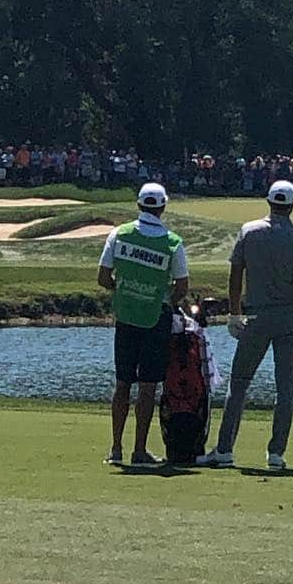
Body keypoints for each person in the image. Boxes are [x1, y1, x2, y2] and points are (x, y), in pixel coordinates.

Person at [198, 179, 293, 470]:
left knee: (239, 383)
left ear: (269, 202)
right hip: (290, 318)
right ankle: (276, 454)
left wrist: (234, 312)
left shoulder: (249, 231)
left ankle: (224, 450)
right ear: (292, 206)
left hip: (257, 317)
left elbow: (236, 274)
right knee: (285, 388)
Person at [97, 182, 189, 467]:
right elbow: (182, 286)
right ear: (162, 207)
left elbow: (103, 277)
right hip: (155, 317)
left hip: (125, 315)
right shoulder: (172, 242)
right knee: (148, 386)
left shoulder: (119, 234)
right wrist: (162, 299)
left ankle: (115, 449)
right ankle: (139, 450)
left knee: (123, 382)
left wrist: (124, 291)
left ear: (139, 205)